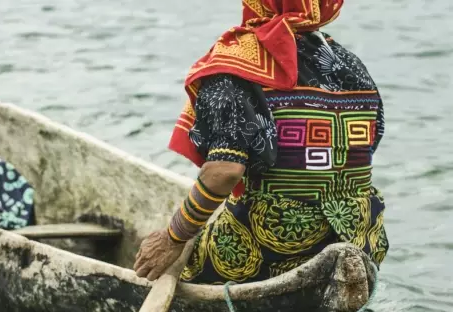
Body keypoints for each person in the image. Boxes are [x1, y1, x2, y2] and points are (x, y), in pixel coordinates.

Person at [134, 0, 389, 284]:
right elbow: (369, 142)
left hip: (274, 247)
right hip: (361, 236)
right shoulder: (352, 66)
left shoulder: (237, 60)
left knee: (189, 269)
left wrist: (173, 237)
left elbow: (224, 171)